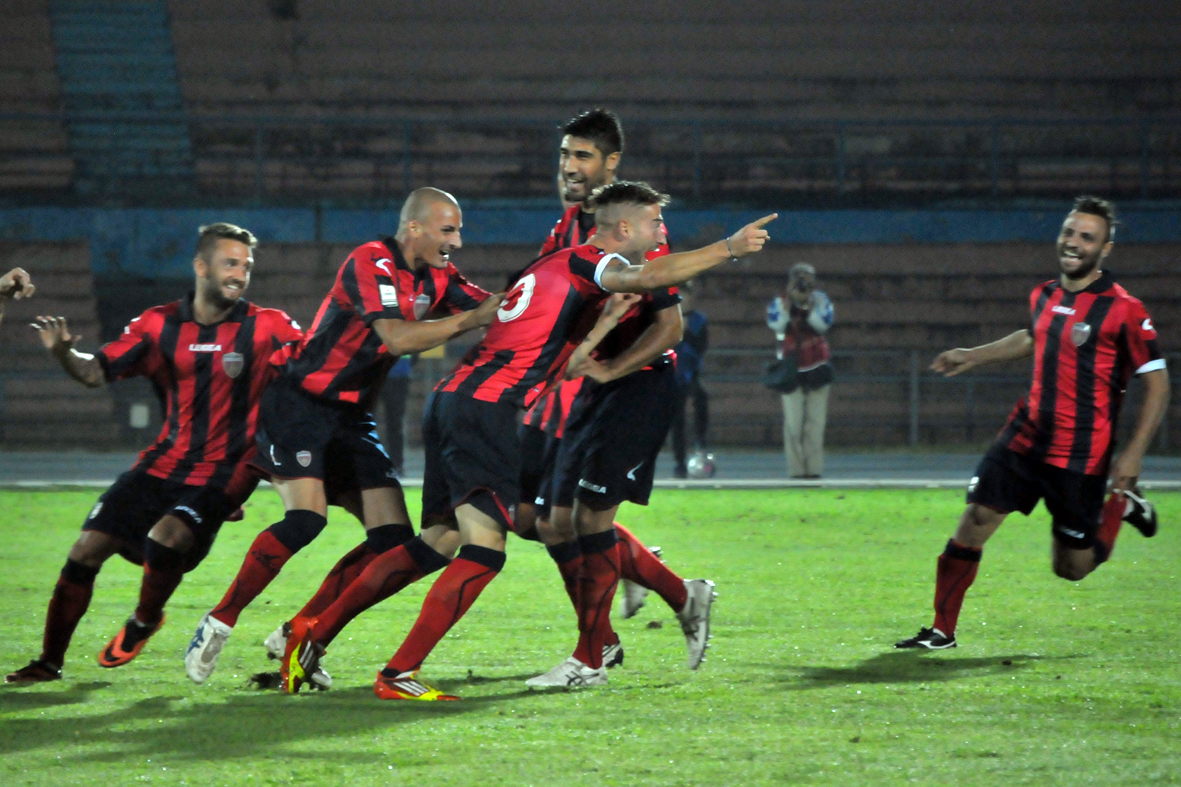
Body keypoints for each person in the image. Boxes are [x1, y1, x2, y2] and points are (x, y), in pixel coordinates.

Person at [280, 181, 776, 699]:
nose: (661, 234)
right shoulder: (591, 261)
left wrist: (596, 335)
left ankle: (312, 634)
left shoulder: (551, 267)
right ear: (623, 228)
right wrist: (728, 249)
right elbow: (645, 276)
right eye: (654, 225)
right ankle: (398, 673)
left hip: (456, 401)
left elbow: (536, 330)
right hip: (487, 410)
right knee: (487, 550)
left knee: (440, 541)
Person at [184, 188, 500, 685]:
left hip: (352, 418)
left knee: (392, 541)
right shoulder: (370, 260)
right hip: (301, 404)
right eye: (447, 230)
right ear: (414, 227)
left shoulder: (438, 275)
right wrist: (470, 320)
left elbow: (495, 310)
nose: (456, 241)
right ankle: (219, 620)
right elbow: (396, 337)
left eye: (458, 230)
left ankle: (297, 631)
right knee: (307, 519)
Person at [6, 224, 303, 683]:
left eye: (246, 265)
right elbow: (94, 373)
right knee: (85, 550)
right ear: (201, 267)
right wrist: (65, 354)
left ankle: (144, 619)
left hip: (222, 475)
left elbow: (313, 372)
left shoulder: (269, 326)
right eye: (230, 263)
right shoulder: (157, 324)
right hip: (161, 464)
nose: (240, 273)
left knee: (164, 538)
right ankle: (49, 662)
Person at [896, 196, 1169, 651]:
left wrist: (1134, 454)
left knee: (1071, 568)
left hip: (1081, 454)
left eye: (1087, 237)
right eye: (1069, 232)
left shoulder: (1124, 309)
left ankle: (1122, 503)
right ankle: (942, 630)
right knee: (976, 518)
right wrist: (973, 354)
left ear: (1105, 250)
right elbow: (1032, 336)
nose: (1073, 242)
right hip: (1024, 437)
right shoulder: (1044, 294)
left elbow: (1158, 384)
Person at [527, 109, 701, 674]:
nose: (569, 167)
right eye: (564, 155)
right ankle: (630, 616)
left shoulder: (636, 229)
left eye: (582, 156)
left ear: (611, 163)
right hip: (583, 386)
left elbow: (669, 323)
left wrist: (609, 368)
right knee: (554, 521)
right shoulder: (567, 227)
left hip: (634, 385)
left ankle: (597, 647)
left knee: (583, 519)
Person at [766, 263, 834, 478]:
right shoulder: (780, 301)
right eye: (798, 278)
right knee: (794, 423)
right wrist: (791, 305)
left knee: (816, 422)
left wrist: (808, 305)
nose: (803, 282)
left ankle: (813, 470)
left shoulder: (821, 300)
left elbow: (823, 324)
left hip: (817, 364)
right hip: (791, 367)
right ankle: (796, 471)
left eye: (807, 278)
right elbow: (776, 324)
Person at [670, 280, 710, 478]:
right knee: (676, 418)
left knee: (701, 399)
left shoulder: (699, 320)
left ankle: (701, 442)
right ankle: (679, 462)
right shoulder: (667, 318)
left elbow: (701, 347)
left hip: (691, 372)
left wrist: (686, 331)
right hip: (672, 374)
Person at [380, 355, 412, 476]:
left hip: (393, 374)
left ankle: (396, 464)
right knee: (395, 424)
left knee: (394, 424)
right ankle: (396, 465)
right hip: (398, 374)